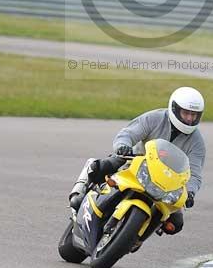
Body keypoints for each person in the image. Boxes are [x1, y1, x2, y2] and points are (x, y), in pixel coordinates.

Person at [68, 86, 206, 235]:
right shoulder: (154, 118)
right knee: (103, 166)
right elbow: (128, 133)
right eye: (186, 113)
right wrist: (123, 146)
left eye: (194, 115)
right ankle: (79, 193)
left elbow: (195, 173)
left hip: (168, 184)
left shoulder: (197, 142)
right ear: (174, 109)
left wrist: (190, 192)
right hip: (136, 163)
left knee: (175, 223)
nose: (190, 119)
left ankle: (138, 237)